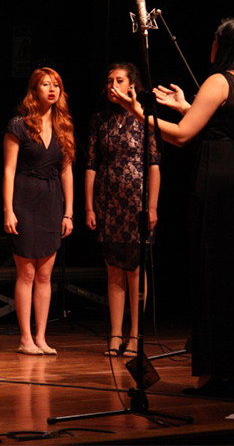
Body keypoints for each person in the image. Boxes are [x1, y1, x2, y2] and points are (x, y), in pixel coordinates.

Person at [110, 17, 234, 396]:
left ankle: (217, 374)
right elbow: (221, 125)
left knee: (216, 277)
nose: (211, 42)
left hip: (219, 184)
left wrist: (140, 113)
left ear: (225, 44)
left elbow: (183, 137)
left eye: (216, 37)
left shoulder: (219, 81)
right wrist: (187, 105)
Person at [85, 63, 160, 357]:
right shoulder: (99, 120)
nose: (112, 86)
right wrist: (89, 206)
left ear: (132, 86)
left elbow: (154, 164)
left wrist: (152, 206)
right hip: (108, 202)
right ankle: (115, 335)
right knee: (113, 270)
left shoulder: (144, 119)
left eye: (118, 80)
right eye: (109, 81)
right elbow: (92, 164)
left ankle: (135, 334)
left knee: (135, 270)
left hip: (137, 203)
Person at [3, 67, 75, 356]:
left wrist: (68, 212)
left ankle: (41, 337)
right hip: (25, 197)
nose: (52, 89)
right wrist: (8, 209)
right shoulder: (19, 125)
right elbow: (8, 171)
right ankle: (25, 338)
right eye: (46, 84)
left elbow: (67, 171)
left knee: (45, 275)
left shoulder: (64, 126)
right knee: (27, 273)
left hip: (51, 200)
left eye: (56, 84)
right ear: (34, 90)